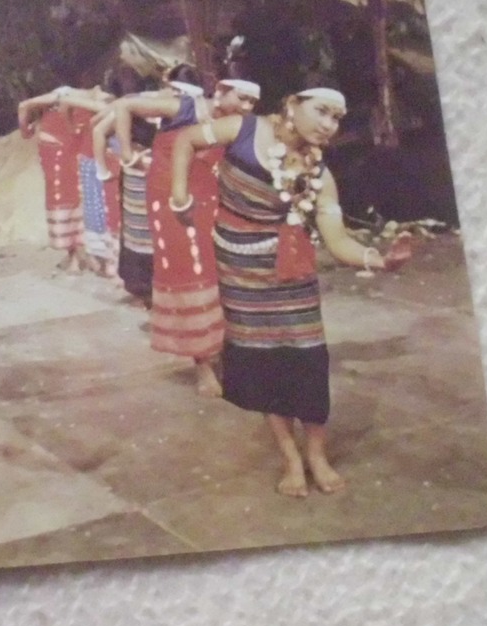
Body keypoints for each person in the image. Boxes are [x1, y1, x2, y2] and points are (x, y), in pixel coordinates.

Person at [169, 87, 412, 495]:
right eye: (321, 112)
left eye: (336, 118)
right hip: (240, 270)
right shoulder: (243, 131)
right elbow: (186, 139)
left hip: (293, 276)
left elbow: (337, 241)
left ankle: (317, 454)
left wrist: (378, 259)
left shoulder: (319, 176)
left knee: (307, 362)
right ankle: (290, 459)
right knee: (264, 365)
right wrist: (180, 195)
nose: (328, 125)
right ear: (292, 104)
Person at [93, 76, 261, 394]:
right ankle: (202, 366)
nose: (247, 106)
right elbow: (124, 105)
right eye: (243, 98)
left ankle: (225, 352)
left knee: (220, 274)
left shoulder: (235, 124)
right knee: (189, 274)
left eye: (252, 102)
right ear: (222, 92)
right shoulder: (183, 108)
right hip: (171, 202)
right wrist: (127, 153)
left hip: (210, 200)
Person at [16, 85, 112, 273]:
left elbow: (23, 106)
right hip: (76, 149)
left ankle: (76, 256)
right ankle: (85, 254)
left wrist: (24, 131)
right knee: (81, 196)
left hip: (56, 150)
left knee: (63, 198)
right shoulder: (97, 97)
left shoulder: (58, 95)